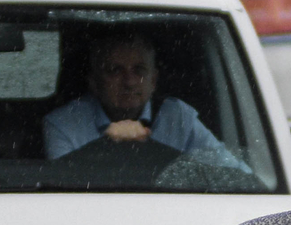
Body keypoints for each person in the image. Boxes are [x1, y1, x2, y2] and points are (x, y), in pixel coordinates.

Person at [42, 31, 249, 171]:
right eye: (115, 71)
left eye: (139, 71)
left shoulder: (178, 118)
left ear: (153, 81)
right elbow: (64, 193)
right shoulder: (64, 124)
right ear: (94, 83)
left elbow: (235, 175)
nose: (130, 82)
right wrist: (106, 145)